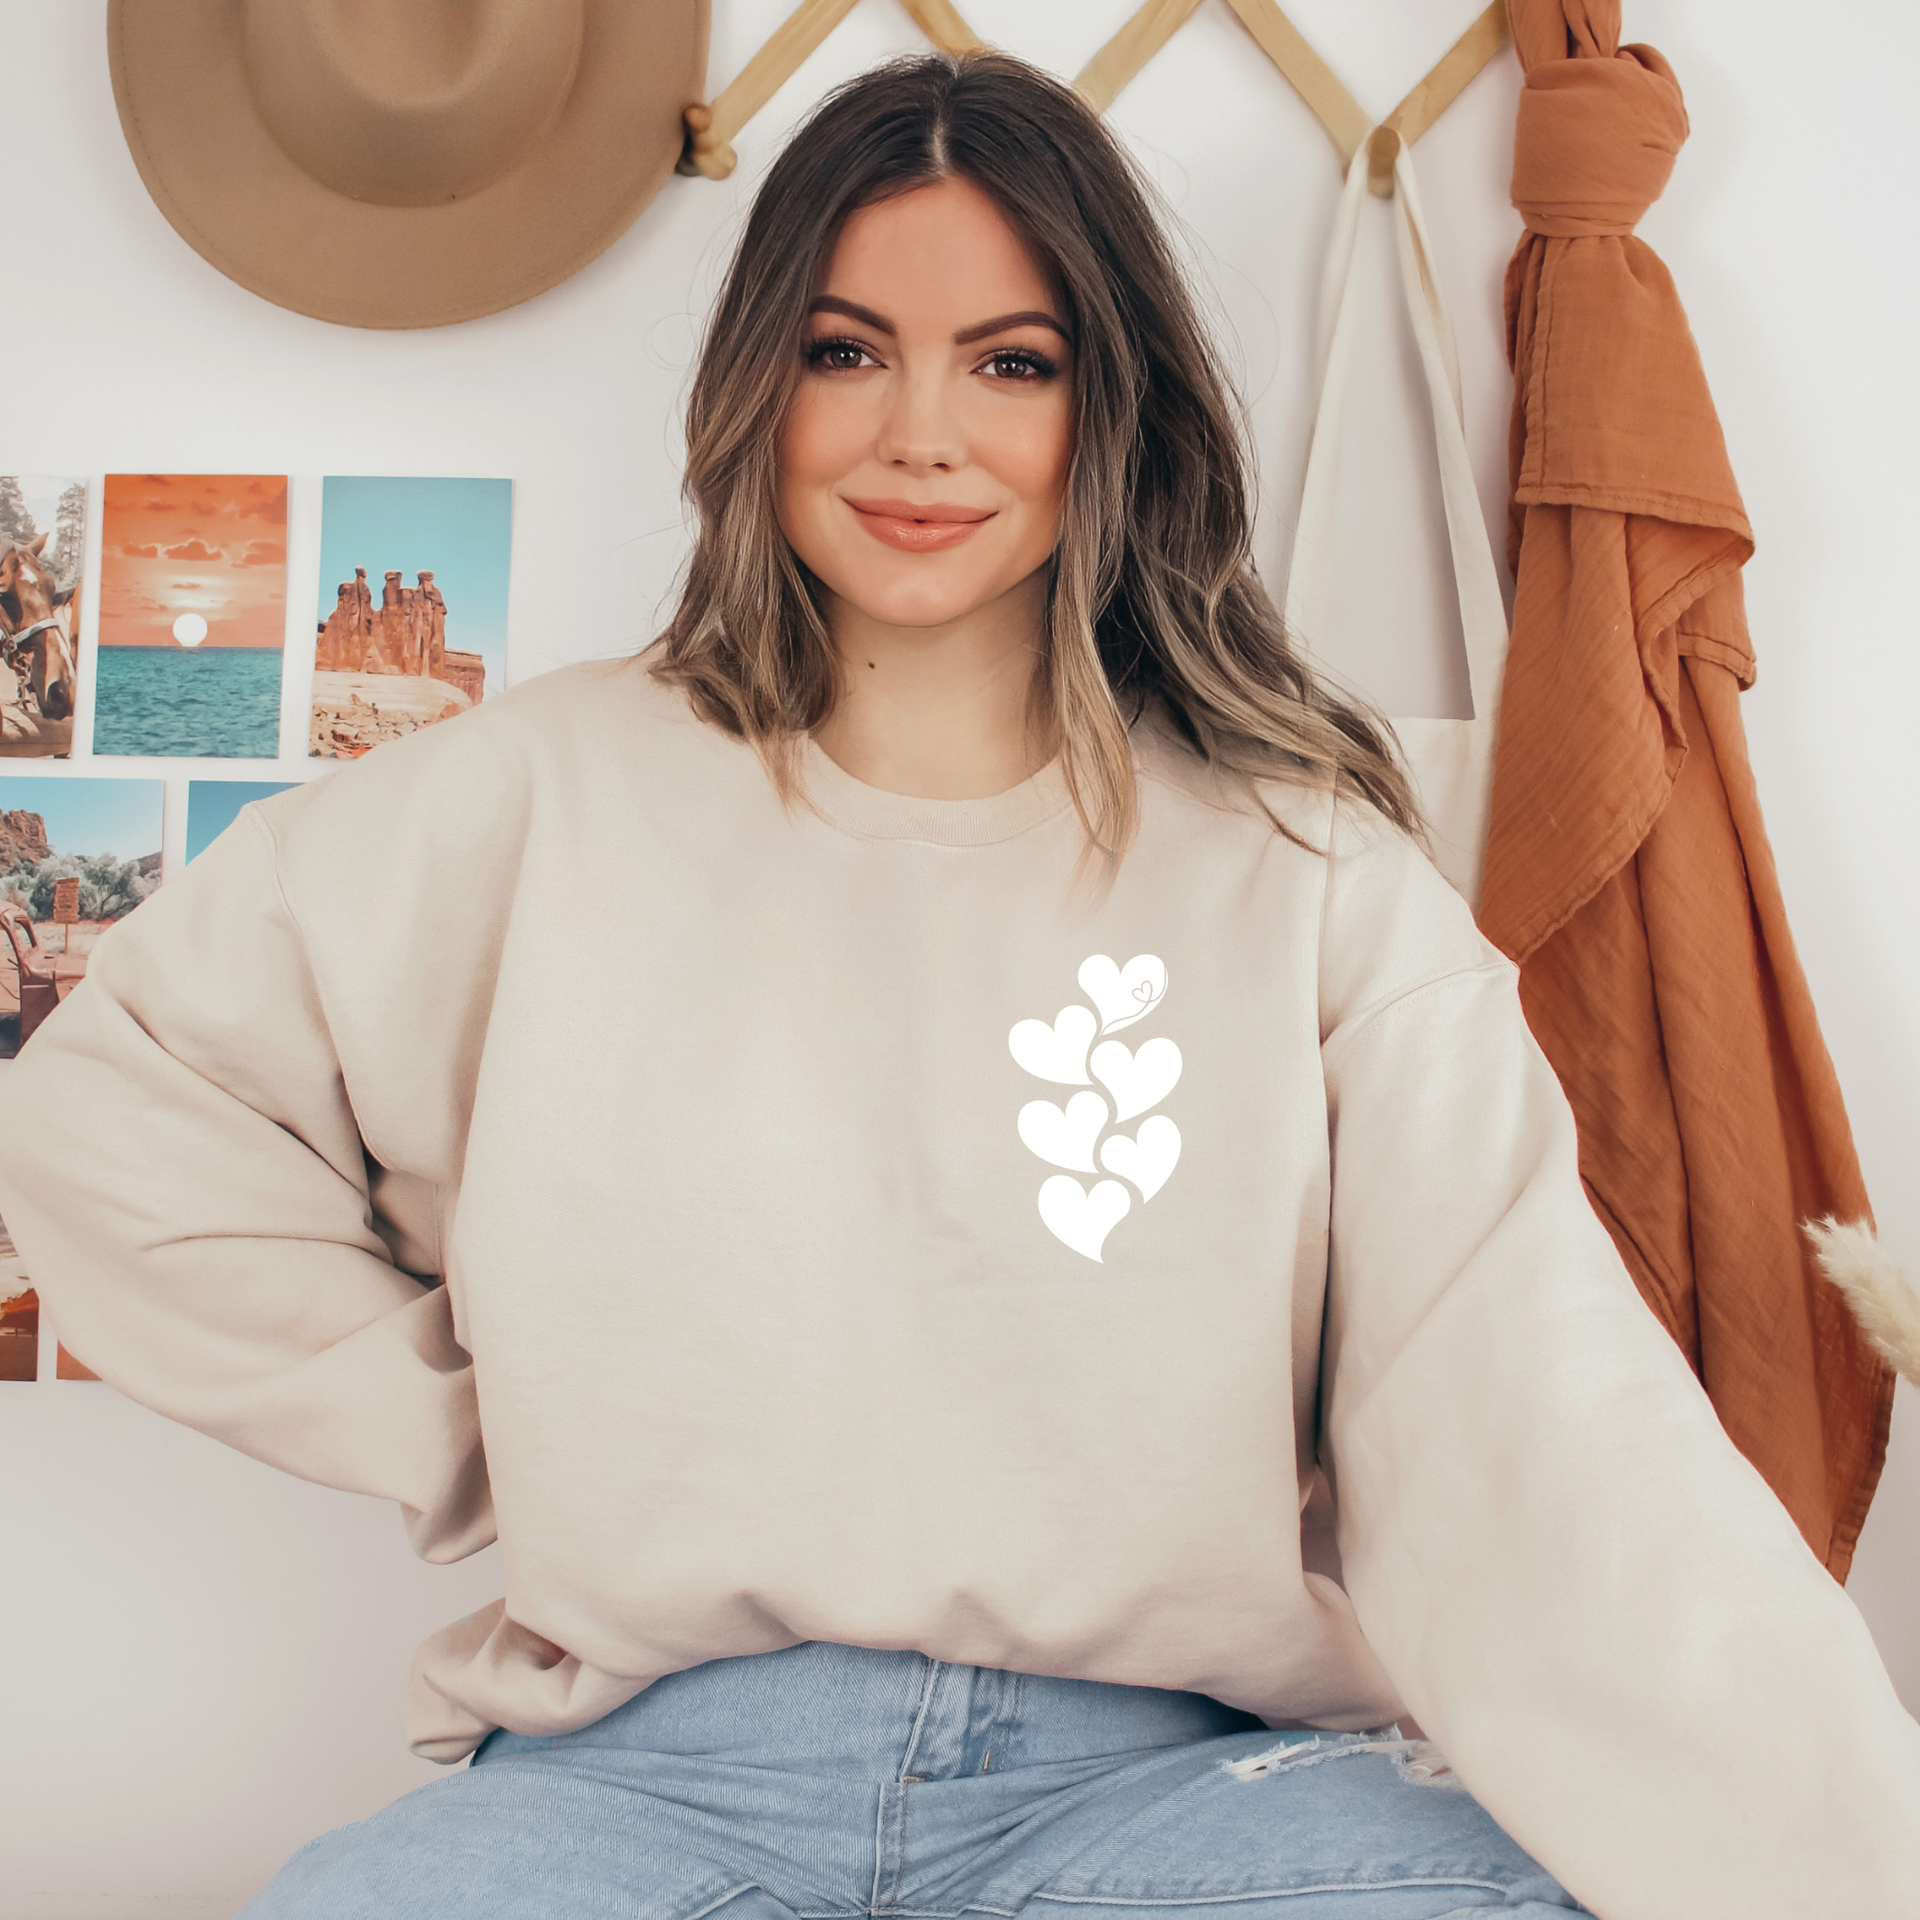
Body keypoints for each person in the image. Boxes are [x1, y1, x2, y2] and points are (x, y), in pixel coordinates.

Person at [2, 50, 1916, 1920]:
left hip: (1177, 1791)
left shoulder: (1312, 876)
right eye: (848, 352)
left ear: (1114, 406)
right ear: (759, 385)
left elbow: (1540, 1429)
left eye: (1014, 363)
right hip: (645, 1775)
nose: (923, 434)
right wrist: (471, 1421)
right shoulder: (523, 800)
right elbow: (108, 1113)